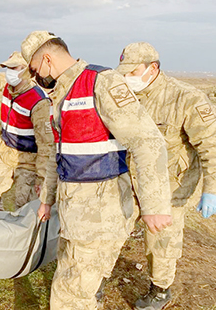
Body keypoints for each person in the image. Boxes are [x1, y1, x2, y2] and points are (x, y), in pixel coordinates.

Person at [21, 31, 173, 309]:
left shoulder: (101, 82)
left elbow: (146, 140)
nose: (35, 78)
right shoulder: (62, 94)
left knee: (70, 297)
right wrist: (47, 200)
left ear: (46, 59)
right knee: (77, 288)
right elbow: (61, 154)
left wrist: (155, 205)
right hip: (75, 216)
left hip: (99, 218)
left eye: (34, 70)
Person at [116, 42, 216, 310]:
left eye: (133, 72)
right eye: (124, 72)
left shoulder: (187, 99)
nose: (128, 78)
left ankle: (160, 291)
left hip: (170, 186)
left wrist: (212, 189)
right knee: (112, 230)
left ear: (153, 68)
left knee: (161, 243)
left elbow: (211, 146)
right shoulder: (125, 96)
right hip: (130, 180)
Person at [0, 51, 53, 210]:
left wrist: (41, 178)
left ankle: (23, 233)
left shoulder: (38, 102)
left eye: (15, 68)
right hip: (6, 155)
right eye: (8, 68)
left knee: (24, 207)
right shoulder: (8, 89)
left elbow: (46, 144)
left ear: (27, 71)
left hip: (27, 162)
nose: (9, 72)